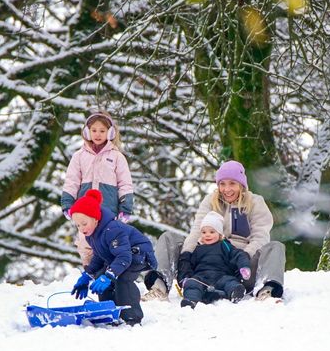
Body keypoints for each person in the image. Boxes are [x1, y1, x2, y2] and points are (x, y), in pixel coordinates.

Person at [142, 160, 285, 302]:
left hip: (242, 267)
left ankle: (267, 292)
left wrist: (244, 258)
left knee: (275, 247)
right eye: (222, 184)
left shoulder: (255, 202)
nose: (227, 189)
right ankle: (159, 288)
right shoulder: (210, 201)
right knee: (169, 238)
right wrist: (186, 256)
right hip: (208, 261)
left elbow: (260, 236)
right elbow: (197, 231)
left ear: (241, 185)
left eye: (232, 183)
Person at [69, 189, 156, 325]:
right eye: (78, 225)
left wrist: (109, 275)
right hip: (120, 257)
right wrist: (88, 275)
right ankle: (109, 313)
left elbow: (124, 257)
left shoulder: (112, 229)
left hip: (138, 254)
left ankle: (131, 317)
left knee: (122, 278)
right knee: (101, 276)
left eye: (84, 223)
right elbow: (99, 255)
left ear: (95, 218)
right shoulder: (92, 235)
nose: (81, 228)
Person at [61, 111, 134, 267]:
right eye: (94, 130)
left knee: (108, 239)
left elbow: (125, 183)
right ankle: (89, 268)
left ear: (110, 132)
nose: (98, 134)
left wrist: (126, 208)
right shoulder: (79, 156)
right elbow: (71, 181)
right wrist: (67, 203)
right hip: (84, 211)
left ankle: (109, 269)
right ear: (87, 131)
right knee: (85, 240)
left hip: (108, 210)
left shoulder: (117, 157)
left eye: (102, 131)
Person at [177, 211, 251, 308]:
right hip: (201, 277)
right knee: (192, 283)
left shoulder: (225, 246)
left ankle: (235, 292)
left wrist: (244, 267)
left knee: (230, 282)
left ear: (220, 234)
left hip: (222, 276)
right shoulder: (198, 249)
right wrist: (186, 278)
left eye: (212, 232)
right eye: (204, 232)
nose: (207, 235)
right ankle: (191, 300)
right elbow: (190, 264)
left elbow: (239, 255)